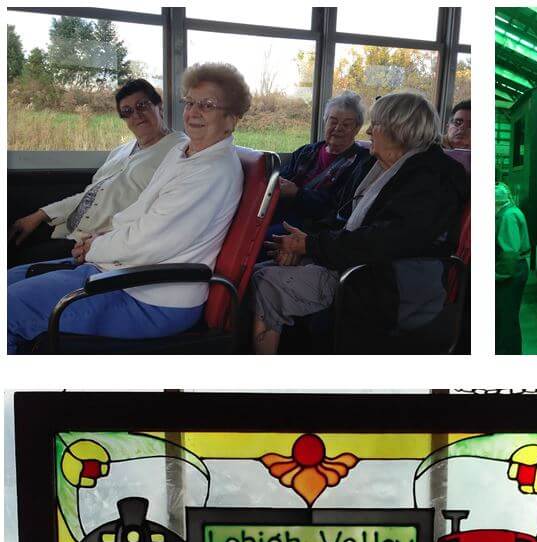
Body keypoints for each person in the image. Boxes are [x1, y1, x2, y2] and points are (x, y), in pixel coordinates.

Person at [7, 63, 250, 353]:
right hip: (123, 271)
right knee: (10, 280)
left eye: (208, 105)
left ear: (231, 118)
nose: (194, 112)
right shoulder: (183, 153)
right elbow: (139, 211)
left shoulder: (213, 171)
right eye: (190, 102)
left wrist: (95, 249)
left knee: (9, 310)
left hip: (152, 297)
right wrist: (98, 241)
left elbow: (152, 240)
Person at [250, 91, 469, 354]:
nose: (368, 133)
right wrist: (304, 239)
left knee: (267, 282)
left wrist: (310, 246)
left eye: (374, 125)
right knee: (261, 268)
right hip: (360, 264)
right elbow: (342, 218)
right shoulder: (379, 167)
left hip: (387, 280)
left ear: (397, 130)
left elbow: (386, 240)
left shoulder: (433, 179)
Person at [7, 79, 187, 267]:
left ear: (159, 106)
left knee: (16, 266)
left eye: (142, 105)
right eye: (127, 111)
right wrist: (39, 215)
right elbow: (90, 193)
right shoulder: (120, 152)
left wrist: (104, 242)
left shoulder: (180, 151)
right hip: (67, 229)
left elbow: (161, 214)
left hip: (94, 242)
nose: (137, 115)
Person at [273, 90, 374, 229]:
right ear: (325, 121)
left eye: (346, 125)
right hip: (283, 215)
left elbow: (338, 207)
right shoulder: (306, 152)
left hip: (315, 229)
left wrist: (297, 193)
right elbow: (283, 179)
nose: (338, 128)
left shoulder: (362, 162)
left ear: (357, 128)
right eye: (333, 121)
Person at [495, 183, 529, 355]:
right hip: (514, 268)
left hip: (513, 270)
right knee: (505, 317)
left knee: (506, 318)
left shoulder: (507, 216)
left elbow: (509, 254)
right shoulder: (509, 211)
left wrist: (495, 275)